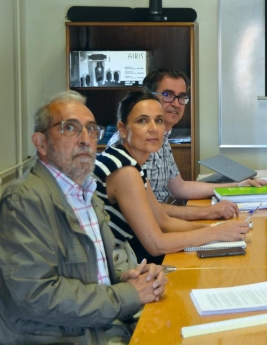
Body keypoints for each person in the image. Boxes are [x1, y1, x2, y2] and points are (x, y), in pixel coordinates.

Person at [0, 91, 167, 344]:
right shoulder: (24, 200)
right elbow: (35, 295)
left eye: (91, 130)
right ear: (41, 142)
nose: (85, 139)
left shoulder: (86, 192)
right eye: (70, 128)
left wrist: (128, 279)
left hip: (101, 326)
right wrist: (125, 295)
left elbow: (90, 277)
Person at [94, 91, 251, 264]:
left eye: (158, 120)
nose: (153, 128)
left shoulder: (133, 162)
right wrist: (215, 233)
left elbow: (163, 221)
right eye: (142, 121)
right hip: (107, 267)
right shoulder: (124, 170)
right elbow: (156, 244)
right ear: (122, 129)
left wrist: (218, 229)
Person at [108, 68, 267, 220]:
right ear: (147, 96)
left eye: (181, 97)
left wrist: (238, 186)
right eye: (167, 94)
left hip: (160, 224)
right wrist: (209, 213)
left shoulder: (162, 137)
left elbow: (179, 188)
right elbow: (151, 210)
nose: (176, 103)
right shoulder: (132, 143)